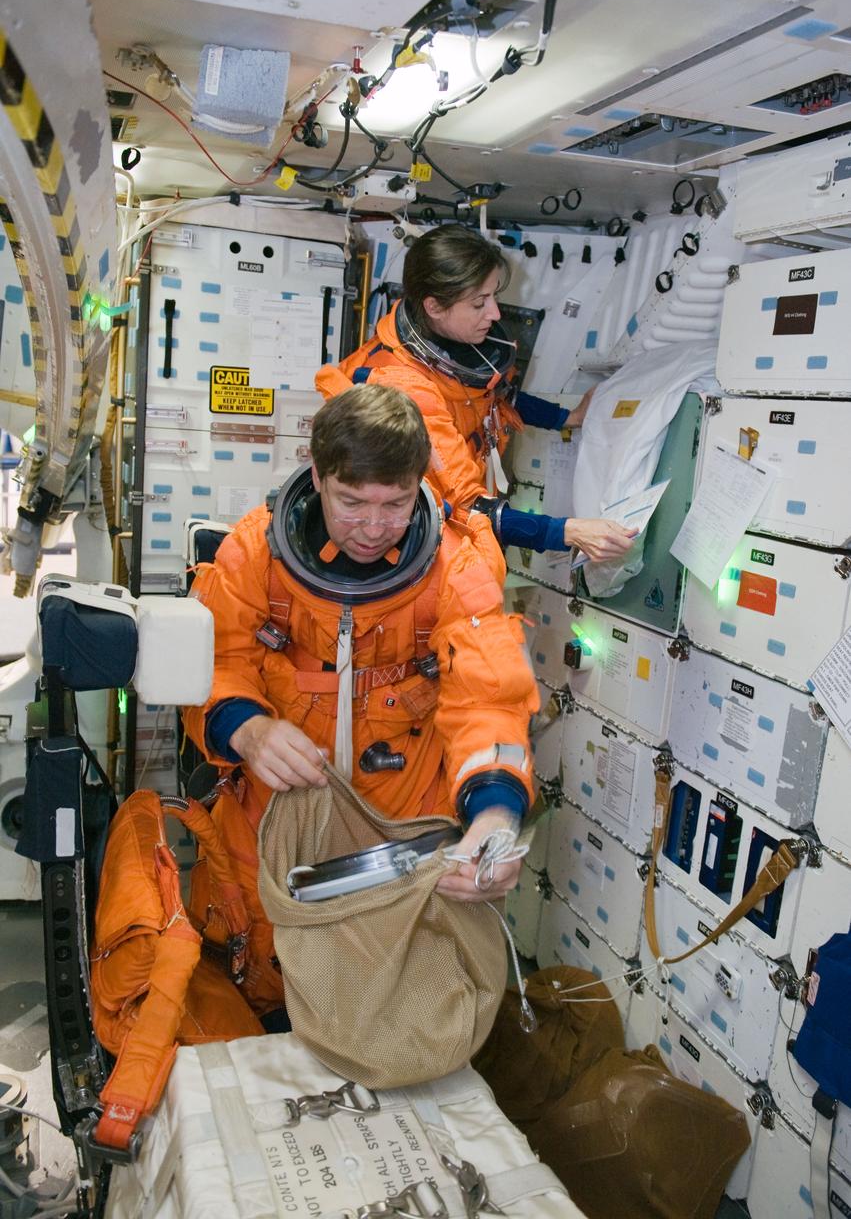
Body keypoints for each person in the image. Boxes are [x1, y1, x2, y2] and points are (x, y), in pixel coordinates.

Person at [182, 384, 539, 1017]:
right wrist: (248, 730)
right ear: (317, 476)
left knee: (396, 1010)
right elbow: (216, 663)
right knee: (262, 993)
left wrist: (494, 815)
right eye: (352, 502)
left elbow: (489, 702)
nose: (374, 528)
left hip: (403, 834)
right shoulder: (254, 554)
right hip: (276, 820)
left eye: (396, 504)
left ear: (418, 484)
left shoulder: (457, 569)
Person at [317, 223, 636, 563]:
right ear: (434, 307)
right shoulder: (402, 393)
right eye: (479, 303)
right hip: (418, 554)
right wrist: (567, 532)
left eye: (494, 296)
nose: (495, 313)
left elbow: (497, 396)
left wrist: (566, 418)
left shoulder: (458, 351)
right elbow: (468, 504)